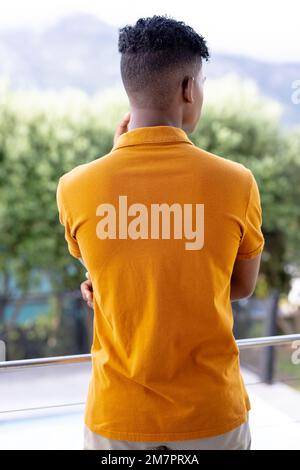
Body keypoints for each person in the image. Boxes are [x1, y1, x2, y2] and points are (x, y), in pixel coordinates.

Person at [56, 14, 264, 450]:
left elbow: (106, 274)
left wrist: (115, 160)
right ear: (189, 88)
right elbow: (241, 287)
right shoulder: (237, 182)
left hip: (118, 419)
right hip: (211, 418)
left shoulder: (74, 187)